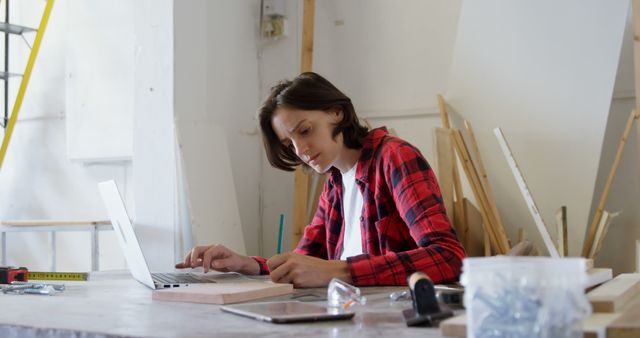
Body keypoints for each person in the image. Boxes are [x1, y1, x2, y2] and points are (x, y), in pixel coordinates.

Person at [175, 72, 465, 288]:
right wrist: (247, 264)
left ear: (336, 112)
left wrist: (340, 271)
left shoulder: (394, 157)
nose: (300, 150)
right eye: (289, 144)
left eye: (304, 130)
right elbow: (304, 260)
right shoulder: (335, 183)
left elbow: (449, 257)